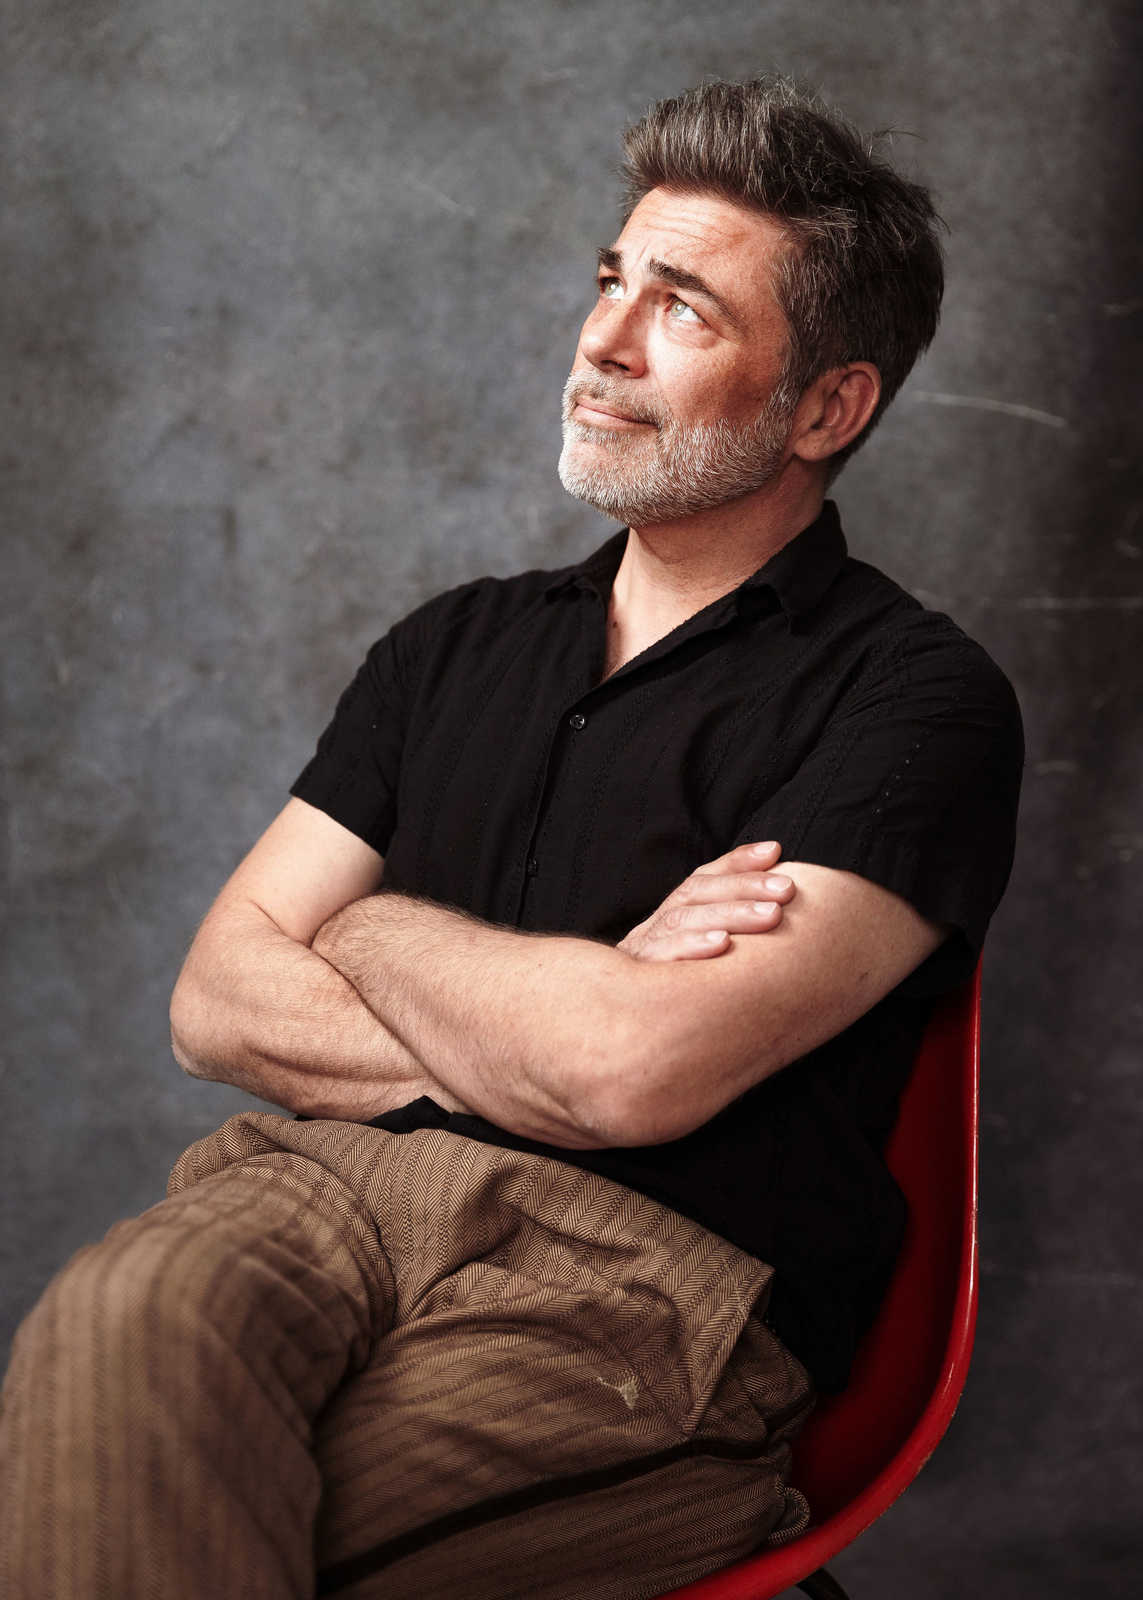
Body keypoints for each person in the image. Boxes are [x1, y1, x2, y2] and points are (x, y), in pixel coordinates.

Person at [0, 76, 1023, 1600]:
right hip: (309, 1196)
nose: (602, 341)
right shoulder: (449, 649)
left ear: (827, 407)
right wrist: (554, 1023)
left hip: (630, 1290)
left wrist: (363, 930)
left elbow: (629, 1071)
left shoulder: (916, 700)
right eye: (612, 280)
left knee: (150, 1510)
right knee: (106, 1340)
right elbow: (214, 998)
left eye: (682, 309)